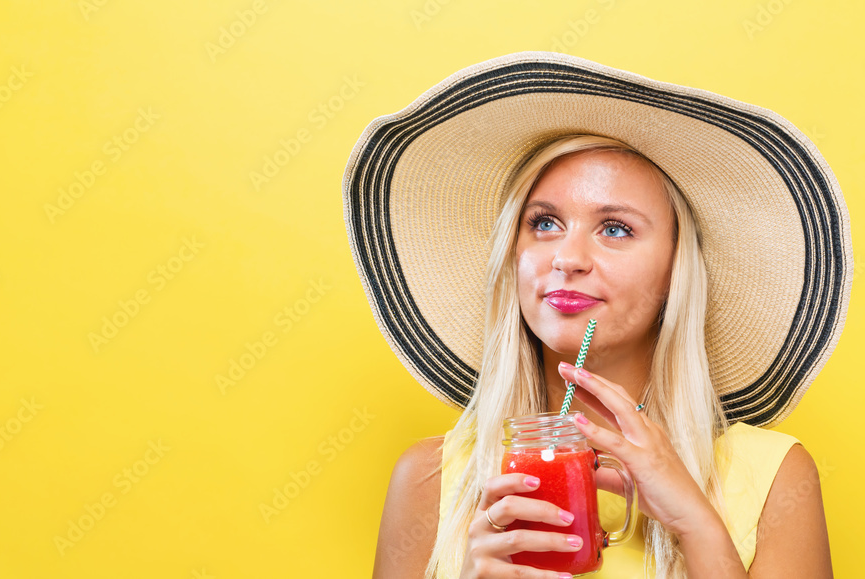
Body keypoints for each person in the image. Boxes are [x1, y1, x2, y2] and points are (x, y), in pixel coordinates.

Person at [342, 53, 852, 578]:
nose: (567, 258)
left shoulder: (773, 477)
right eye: (543, 223)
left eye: (615, 229)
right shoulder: (430, 478)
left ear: (676, 270)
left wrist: (698, 528)